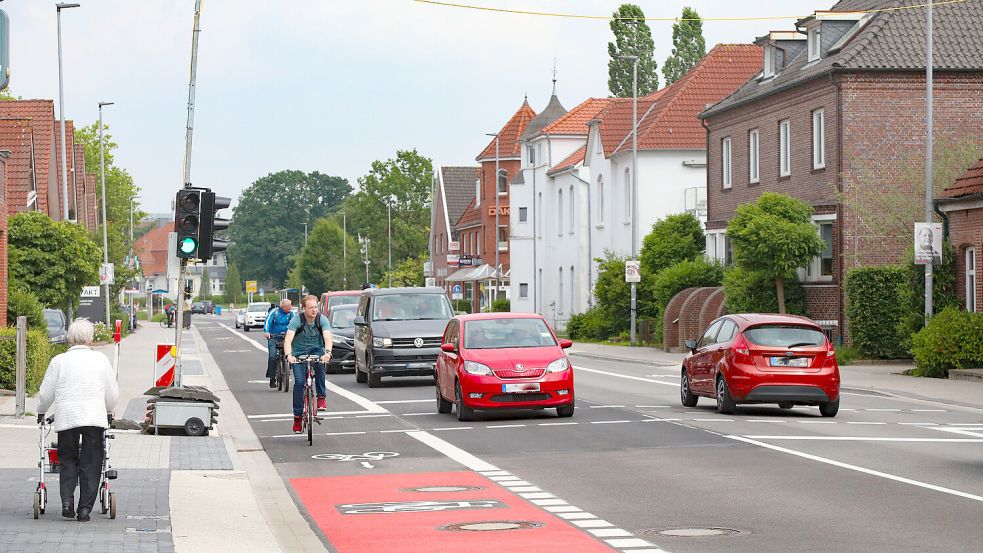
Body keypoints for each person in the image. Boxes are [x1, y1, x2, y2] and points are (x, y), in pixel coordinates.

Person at [36, 319, 119, 523]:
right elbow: (112, 393)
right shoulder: (101, 360)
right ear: (90, 338)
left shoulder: (59, 361)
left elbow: (46, 393)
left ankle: (67, 503)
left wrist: (41, 412)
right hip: (93, 417)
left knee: (68, 459)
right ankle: (84, 510)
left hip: (67, 417)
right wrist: (109, 411)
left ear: (69, 338)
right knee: (92, 462)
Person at [284, 295, 332, 433]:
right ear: (303, 308)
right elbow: (288, 340)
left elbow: (328, 337)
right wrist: (289, 355)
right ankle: (298, 417)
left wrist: (327, 353)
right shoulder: (296, 320)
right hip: (298, 354)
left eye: (316, 307)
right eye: (311, 307)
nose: (314, 310)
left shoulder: (321, 319)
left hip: (316, 350)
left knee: (320, 367)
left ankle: (321, 397)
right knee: (299, 382)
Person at [264, 299, 294, 388]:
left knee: (292, 353)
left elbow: (295, 323)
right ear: (284, 308)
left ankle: (289, 367)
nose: (291, 307)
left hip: (286, 337)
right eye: (290, 306)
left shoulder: (291, 314)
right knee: (272, 356)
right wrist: (266, 331)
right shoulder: (275, 312)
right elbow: (267, 321)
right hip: (273, 337)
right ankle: (272, 378)